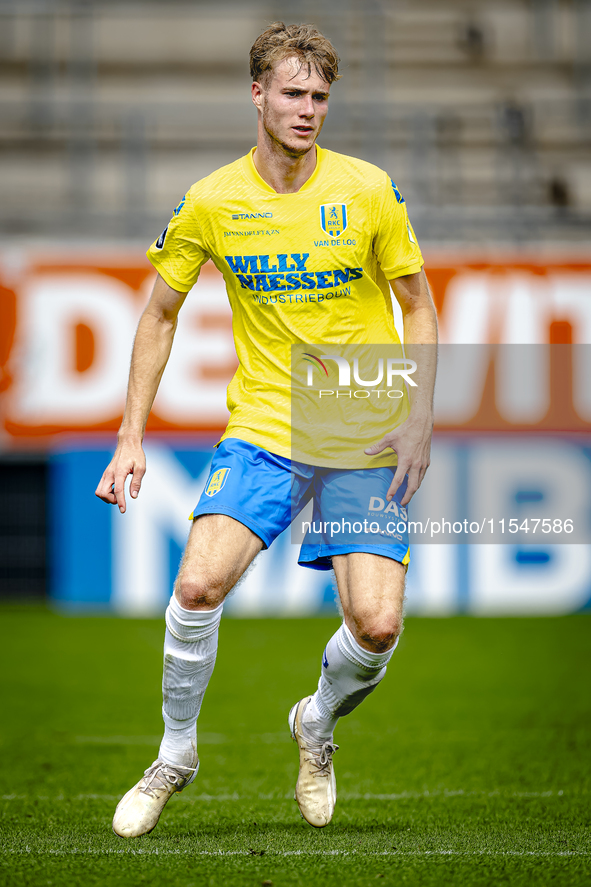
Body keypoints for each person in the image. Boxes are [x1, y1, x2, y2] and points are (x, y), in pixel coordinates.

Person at [95, 21, 437, 838]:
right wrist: (129, 435)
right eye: (292, 92)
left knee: (378, 625)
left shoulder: (366, 190)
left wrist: (420, 412)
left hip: (362, 420)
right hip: (266, 421)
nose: (308, 109)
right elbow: (159, 314)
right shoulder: (212, 201)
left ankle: (314, 723)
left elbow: (418, 303)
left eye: (320, 96)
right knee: (196, 586)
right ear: (258, 94)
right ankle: (176, 754)